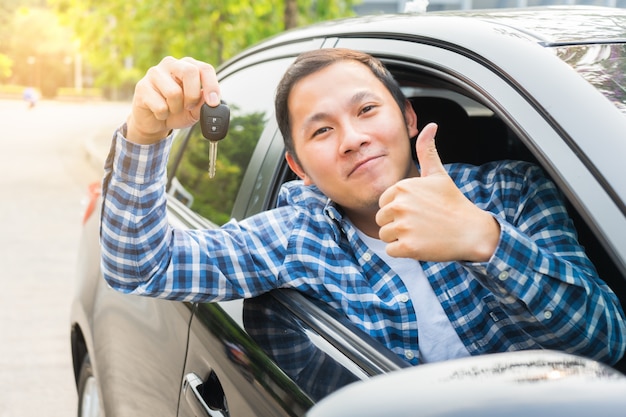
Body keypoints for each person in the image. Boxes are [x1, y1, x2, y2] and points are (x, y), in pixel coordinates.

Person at [100, 48, 626, 366]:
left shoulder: (511, 192)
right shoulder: (296, 237)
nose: (351, 139)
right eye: (322, 130)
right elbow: (140, 265)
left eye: (368, 110)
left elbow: (604, 340)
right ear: (300, 168)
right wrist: (145, 134)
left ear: (410, 118)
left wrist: (485, 240)